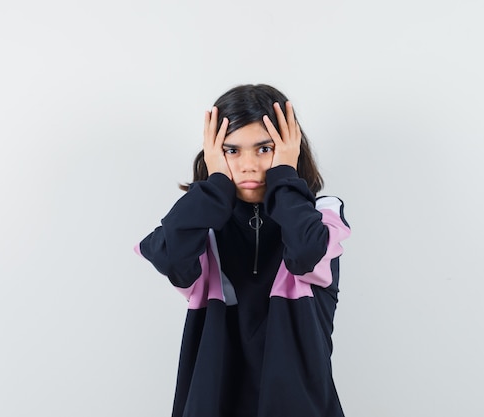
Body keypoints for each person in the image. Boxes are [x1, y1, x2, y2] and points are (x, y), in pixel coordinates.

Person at [135, 84, 351, 417]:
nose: (248, 164)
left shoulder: (322, 217)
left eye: (264, 149)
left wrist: (284, 177)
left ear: (290, 150)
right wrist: (215, 186)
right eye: (231, 151)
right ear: (212, 154)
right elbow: (170, 256)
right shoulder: (201, 227)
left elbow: (306, 251)